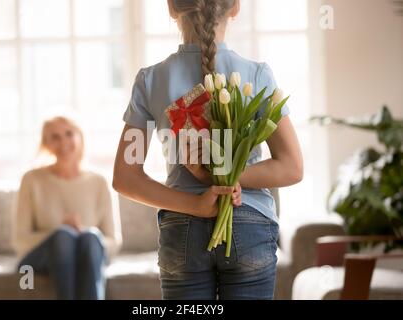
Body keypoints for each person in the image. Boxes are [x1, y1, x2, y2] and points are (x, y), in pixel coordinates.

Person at [113, 0, 303, 300]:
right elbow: (292, 167)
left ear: (172, 9)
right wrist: (230, 179)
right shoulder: (257, 75)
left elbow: (125, 179)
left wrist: (197, 204)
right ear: (235, 7)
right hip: (249, 222)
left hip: (182, 231)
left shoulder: (150, 80)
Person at [16, 116, 122, 300]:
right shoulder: (31, 180)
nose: (63, 142)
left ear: (80, 137)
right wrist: (61, 233)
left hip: (89, 252)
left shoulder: (99, 182)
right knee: (64, 237)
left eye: (68, 134)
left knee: (90, 237)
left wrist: (81, 234)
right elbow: (21, 240)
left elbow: (113, 241)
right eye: (54, 137)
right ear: (46, 143)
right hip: (41, 258)